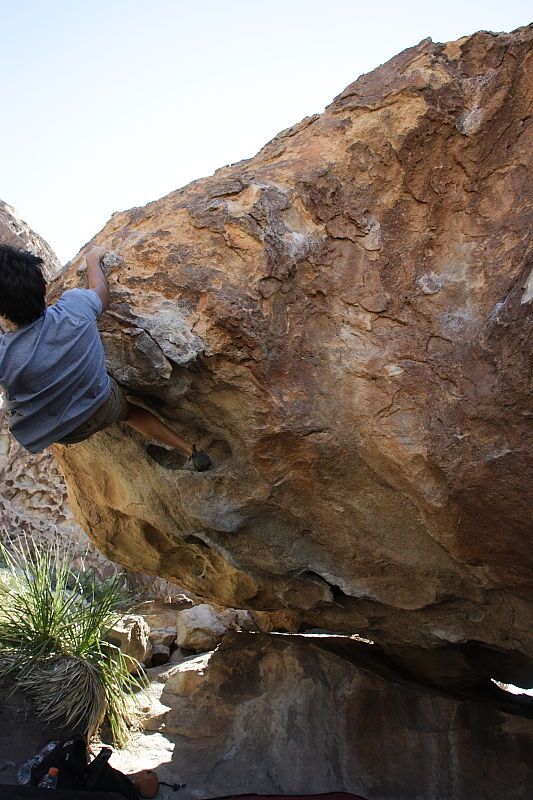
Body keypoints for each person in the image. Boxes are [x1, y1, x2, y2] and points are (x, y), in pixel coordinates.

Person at [0, 242, 211, 470]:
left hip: (63, 433)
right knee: (130, 413)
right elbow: (101, 292)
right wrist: (93, 260)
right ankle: (189, 451)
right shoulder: (74, 307)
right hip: (103, 406)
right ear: (42, 287)